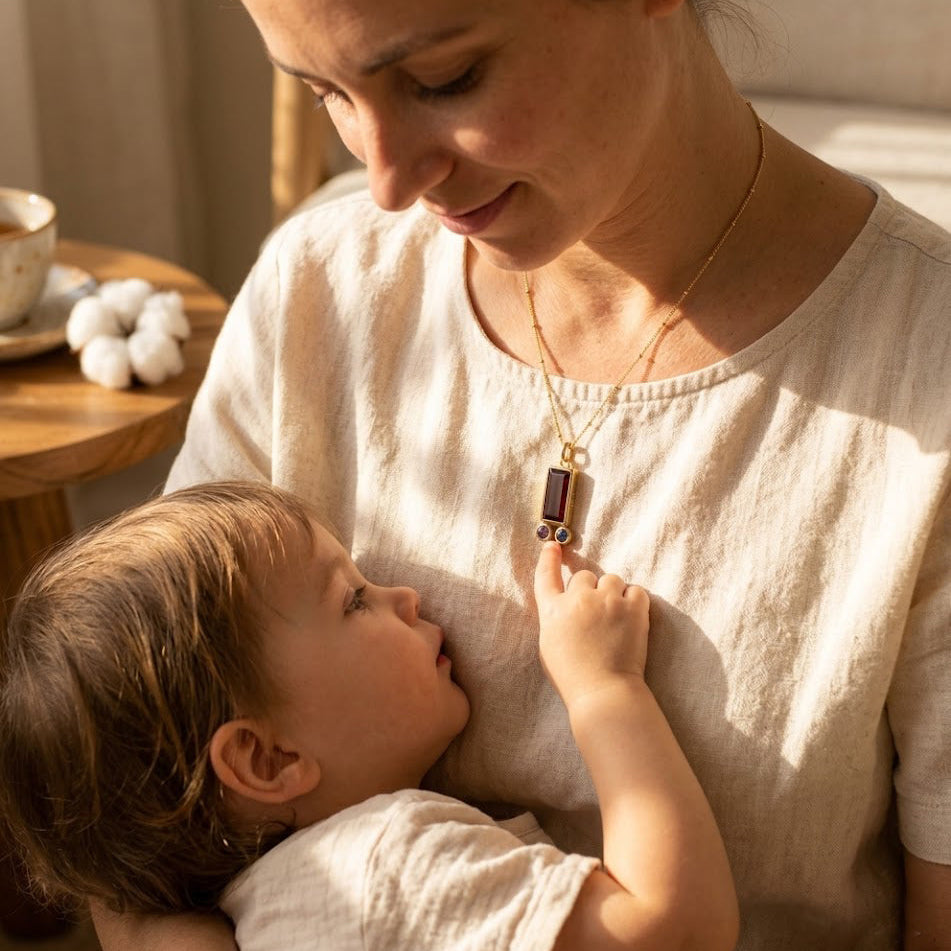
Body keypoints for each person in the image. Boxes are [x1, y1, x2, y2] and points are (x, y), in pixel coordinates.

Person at [92, 0, 951, 947]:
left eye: (442, 80)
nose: (383, 181)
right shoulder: (315, 297)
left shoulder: (923, 374)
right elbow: (136, 809)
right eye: (326, 91)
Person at [0, 481, 737, 951]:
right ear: (268, 760)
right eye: (352, 599)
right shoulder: (385, 867)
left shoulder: (264, 904)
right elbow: (677, 931)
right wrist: (605, 688)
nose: (405, 595)